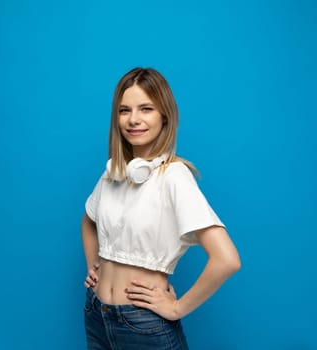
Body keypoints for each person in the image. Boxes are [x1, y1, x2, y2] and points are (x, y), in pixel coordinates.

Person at [81, 67, 241, 349]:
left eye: (146, 109)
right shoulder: (113, 173)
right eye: (124, 110)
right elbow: (88, 221)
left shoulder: (174, 176)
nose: (133, 120)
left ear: (164, 116)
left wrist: (177, 308)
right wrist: (94, 266)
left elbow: (227, 259)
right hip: (96, 315)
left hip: (142, 324)